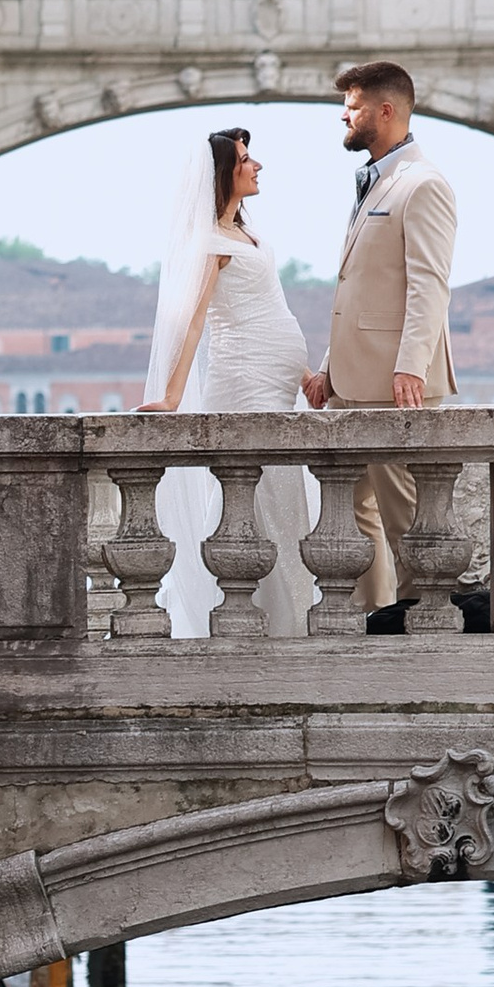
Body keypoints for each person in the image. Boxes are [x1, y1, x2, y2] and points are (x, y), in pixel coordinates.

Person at [141, 127, 317, 638]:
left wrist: (305, 375)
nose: (257, 165)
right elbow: (193, 321)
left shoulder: (249, 233)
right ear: (224, 173)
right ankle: (267, 623)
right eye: (245, 158)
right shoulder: (211, 243)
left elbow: (271, 309)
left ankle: (292, 616)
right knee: (262, 496)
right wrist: (173, 397)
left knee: (287, 501)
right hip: (245, 380)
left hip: (280, 381)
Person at [300, 59, 456, 613]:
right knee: (353, 511)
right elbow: (359, 290)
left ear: (385, 111)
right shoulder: (374, 180)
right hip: (352, 382)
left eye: (354, 106)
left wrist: (412, 364)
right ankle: (372, 618)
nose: (345, 115)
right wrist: (327, 368)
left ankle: (422, 621)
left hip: (396, 384)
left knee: (407, 517)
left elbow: (428, 285)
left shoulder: (424, 183)